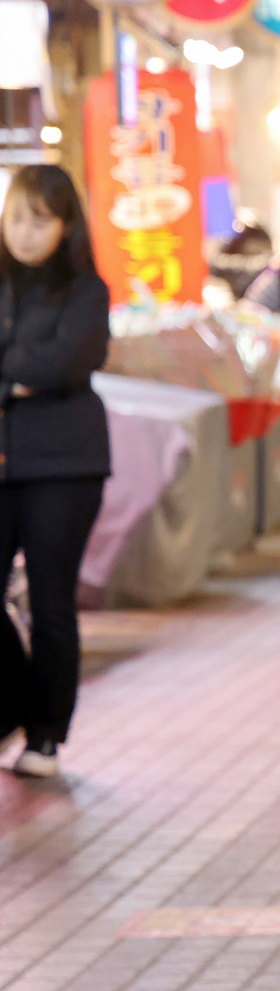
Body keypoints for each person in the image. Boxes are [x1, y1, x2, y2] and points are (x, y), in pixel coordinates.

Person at [0, 166, 109, 779]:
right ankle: (15, 703)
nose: (24, 232)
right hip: (4, 458)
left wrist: (18, 368)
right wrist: (23, 373)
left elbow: (71, 360)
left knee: (50, 602)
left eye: (39, 220)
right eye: (16, 217)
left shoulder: (86, 289)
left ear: (66, 225)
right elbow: (39, 366)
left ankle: (45, 734)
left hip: (65, 464)